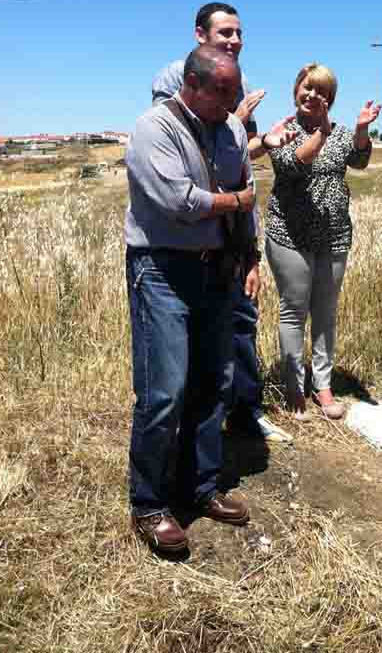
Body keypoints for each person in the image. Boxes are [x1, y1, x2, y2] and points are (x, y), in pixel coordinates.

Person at [126, 45, 256, 555]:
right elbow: (179, 202)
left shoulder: (233, 130)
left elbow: (249, 197)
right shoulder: (153, 128)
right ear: (193, 84)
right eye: (222, 92)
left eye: (235, 91)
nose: (232, 101)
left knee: (213, 383)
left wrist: (251, 256)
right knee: (164, 391)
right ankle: (149, 503)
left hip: (218, 270)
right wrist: (235, 201)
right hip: (162, 270)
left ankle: (201, 487)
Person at [152, 2, 294, 445]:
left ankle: (246, 412)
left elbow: (235, 150)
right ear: (199, 34)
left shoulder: (241, 79)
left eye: (238, 33)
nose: (235, 41)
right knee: (196, 337)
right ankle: (192, 429)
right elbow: (186, 150)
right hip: (195, 232)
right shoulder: (174, 77)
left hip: (234, 226)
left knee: (241, 319)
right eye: (225, 33)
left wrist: (264, 142)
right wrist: (237, 123)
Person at [265, 63, 382, 420]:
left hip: (334, 235)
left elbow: (360, 160)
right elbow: (293, 166)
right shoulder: (283, 133)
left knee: (326, 312)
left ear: (330, 100)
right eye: (307, 88)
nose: (313, 95)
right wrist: (324, 133)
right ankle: (293, 385)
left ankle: (323, 384)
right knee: (294, 309)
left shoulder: (342, 132)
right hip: (289, 235)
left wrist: (361, 130)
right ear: (296, 90)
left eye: (322, 92)